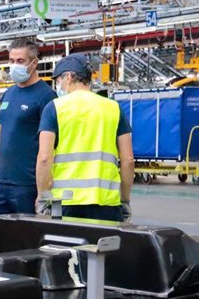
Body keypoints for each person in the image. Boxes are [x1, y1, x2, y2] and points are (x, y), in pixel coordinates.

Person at [35, 54, 135, 222]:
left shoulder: (54, 108)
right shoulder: (113, 108)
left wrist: (43, 198)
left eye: (58, 80)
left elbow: (44, 158)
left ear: (68, 77)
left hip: (63, 203)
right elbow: (128, 160)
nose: (58, 86)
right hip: (107, 202)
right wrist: (124, 201)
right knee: (106, 240)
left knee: (63, 239)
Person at [0, 37, 56, 224]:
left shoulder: (47, 96)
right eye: (11, 61)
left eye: (20, 61)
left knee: (29, 236)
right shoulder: (9, 93)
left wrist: (44, 192)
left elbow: (49, 148)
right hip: (3, 182)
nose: (14, 66)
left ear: (34, 63)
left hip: (29, 184)